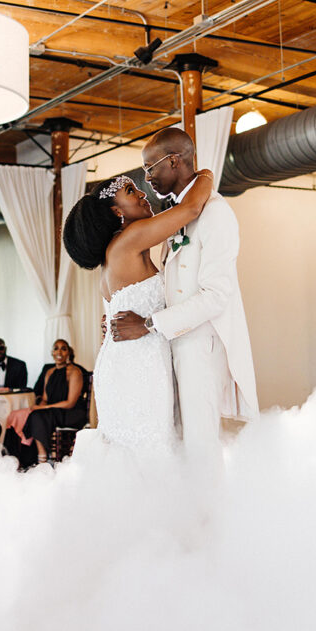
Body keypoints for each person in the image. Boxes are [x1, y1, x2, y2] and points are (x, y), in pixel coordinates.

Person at [111, 127, 259, 462]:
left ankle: (209, 513)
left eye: (150, 168)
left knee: (200, 444)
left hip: (200, 347)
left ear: (174, 161)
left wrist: (149, 324)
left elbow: (217, 295)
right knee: (176, 441)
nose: (147, 178)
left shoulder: (216, 212)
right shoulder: (178, 211)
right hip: (172, 342)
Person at [63, 169, 213, 451]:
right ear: (117, 211)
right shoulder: (130, 238)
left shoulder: (116, 250)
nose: (143, 194)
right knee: (151, 449)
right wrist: (204, 173)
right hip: (138, 367)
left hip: (126, 362)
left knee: (135, 454)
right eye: (132, 191)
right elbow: (192, 207)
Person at [3, 339, 87, 467]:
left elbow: (70, 403)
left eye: (63, 349)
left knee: (37, 416)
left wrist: (43, 408)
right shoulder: (49, 372)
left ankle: (41, 459)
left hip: (71, 413)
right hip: (52, 411)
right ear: (52, 353)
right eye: (56, 348)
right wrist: (38, 407)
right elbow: (45, 399)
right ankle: (16, 458)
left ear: (68, 353)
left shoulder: (75, 372)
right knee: (17, 414)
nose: (59, 352)